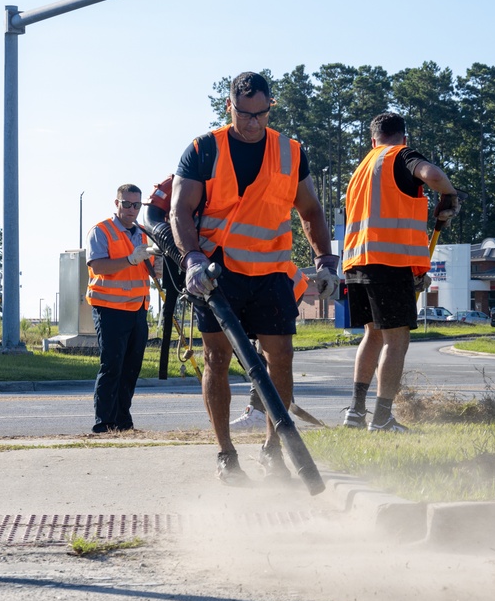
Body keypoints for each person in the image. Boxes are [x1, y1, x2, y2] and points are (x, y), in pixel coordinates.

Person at [170, 71, 336, 484]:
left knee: (280, 359)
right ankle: (226, 454)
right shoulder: (203, 149)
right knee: (217, 359)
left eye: (261, 114)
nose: (253, 123)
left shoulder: (291, 151)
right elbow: (179, 211)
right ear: (230, 107)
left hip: (272, 272)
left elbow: (311, 210)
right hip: (217, 274)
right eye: (245, 115)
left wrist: (326, 260)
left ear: (270, 108)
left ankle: (272, 448)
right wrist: (191, 257)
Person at [342, 112, 461, 432]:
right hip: (387, 263)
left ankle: (356, 411)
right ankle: (382, 418)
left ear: (373, 140)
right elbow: (432, 173)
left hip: (356, 262)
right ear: (403, 138)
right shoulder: (401, 155)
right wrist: (449, 194)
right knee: (397, 341)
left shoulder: (360, 170)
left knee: (373, 335)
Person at [85, 184, 154, 433]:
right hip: (110, 309)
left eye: (136, 205)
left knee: (131, 368)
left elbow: (151, 268)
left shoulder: (145, 234)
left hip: (138, 308)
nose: (131, 209)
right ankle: (104, 422)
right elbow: (99, 266)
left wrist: (156, 268)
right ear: (117, 204)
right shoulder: (101, 231)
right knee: (112, 366)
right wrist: (130, 260)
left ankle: (123, 422)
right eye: (126, 204)